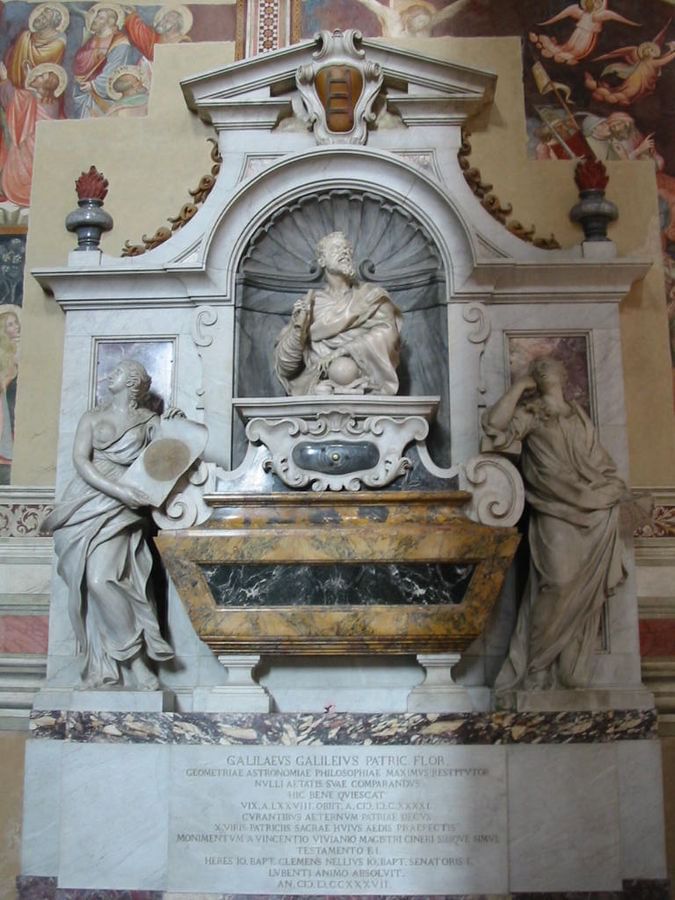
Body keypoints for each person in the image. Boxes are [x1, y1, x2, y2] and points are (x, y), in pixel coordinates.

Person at [483, 357, 628, 692]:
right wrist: (519, 387)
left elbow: (599, 463)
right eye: (539, 366)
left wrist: (608, 489)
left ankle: (565, 665)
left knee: (582, 592)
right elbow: (494, 426)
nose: (545, 367)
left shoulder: (578, 417)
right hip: (553, 507)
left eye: (550, 364)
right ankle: (536, 664)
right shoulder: (533, 413)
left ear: (564, 374)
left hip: (594, 511)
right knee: (559, 583)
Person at [43, 359, 175, 689]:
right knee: (90, 584)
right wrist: (118, 491)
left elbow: (168, 456)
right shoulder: (92, 417)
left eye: (116, 373)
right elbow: (80, 461)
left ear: (132, 383)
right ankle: (109, 665)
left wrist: (175, 425)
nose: (108, 375)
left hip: (123, 508)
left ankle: (137, 661)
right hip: (86, 501)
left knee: (101, 580)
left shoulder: (149, 422)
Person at [274, 231, 401, 396]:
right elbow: (286, 365)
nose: (344, 252)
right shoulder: (309, 305)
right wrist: (299, 329)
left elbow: (388, 335)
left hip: (367, 382)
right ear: (322, 261)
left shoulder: (371, 297)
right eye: (336, 249)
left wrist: (344, 350)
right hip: (318, 384)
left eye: (347, 249)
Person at [0, 61, 66, 208]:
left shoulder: (31, 98)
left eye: (42, 76)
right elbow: (27, 97)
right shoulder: (51, 101)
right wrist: (29, 76)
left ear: (47, 85)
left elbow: (14, 98)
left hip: (28, 150)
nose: (37, 75)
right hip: (38, 149)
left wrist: (4, 79)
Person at [72, 3, 138, 118]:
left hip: (100, 95)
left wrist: (93, 85)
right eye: (96, 16)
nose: (95, 20)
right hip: (82, 90)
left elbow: (113, 71)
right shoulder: (91, 40)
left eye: (100, 18)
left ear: (110, 22)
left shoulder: (120, 43)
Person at [529, 0, 640, 66]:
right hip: (579, 32)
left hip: (587, 35)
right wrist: (546, 23)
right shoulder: (583, 13)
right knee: (569, 45)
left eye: (597, 2)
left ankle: (570, 54)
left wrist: (632, 23)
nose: (595, 4)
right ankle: (563, 51)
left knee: (578, 48)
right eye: (593, 2)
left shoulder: (598, 15)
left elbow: (610, 13)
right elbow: (565, 13)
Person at [4, 2, 68, 88]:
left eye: (44, 18)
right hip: (15, 88)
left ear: (51, 24)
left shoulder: (57, 45)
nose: (39, 18)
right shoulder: (25, 36)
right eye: (41, 15)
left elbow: (46, 70)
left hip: (38, 90)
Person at [351, 0, 472, 38]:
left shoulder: (426, 26)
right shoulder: (394, 19)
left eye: (425, 23)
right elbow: (372, 4)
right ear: (410, 18)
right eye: (420, 21)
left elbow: (447, 12)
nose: (422, 25)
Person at [124, 5, 192, 62]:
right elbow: (140, 32)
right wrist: (132, 14)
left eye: (167, 21)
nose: (162, 22)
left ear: (177, 25)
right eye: (164, 18)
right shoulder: (157, 37)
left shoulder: (183, 42)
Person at [0, 306, 20, 475]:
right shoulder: (4, 350)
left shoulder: (21, 345)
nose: (16, 326)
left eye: (16, 322)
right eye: (11, 324)